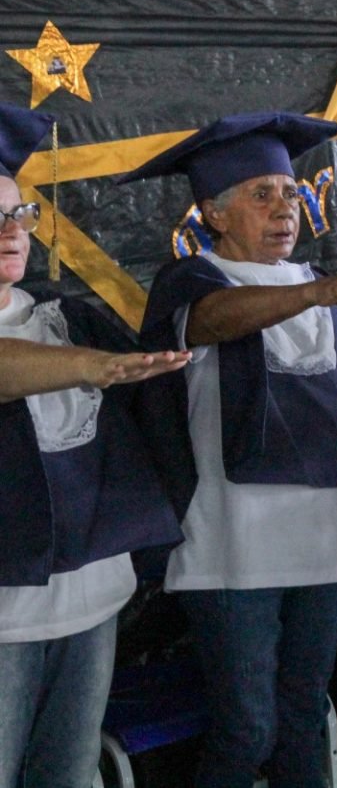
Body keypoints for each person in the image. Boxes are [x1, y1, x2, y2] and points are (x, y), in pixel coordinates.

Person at [119, 112, 337, 787]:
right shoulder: (192, 281)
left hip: (318, 545)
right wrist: (312, 292)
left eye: (291, 193)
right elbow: (213, 323)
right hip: (229, 551)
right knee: (247, 727)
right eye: (262, 195)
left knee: (303, 713)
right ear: (214, 214)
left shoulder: (322, 288)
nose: (284, 209)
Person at [0, 104, 188, 788]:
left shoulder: (67, 314)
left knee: (69, 773)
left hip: (88, 602)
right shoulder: (76, 344)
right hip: (4, 620)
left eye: (18, 214)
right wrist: (89, 367)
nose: (10, 231)